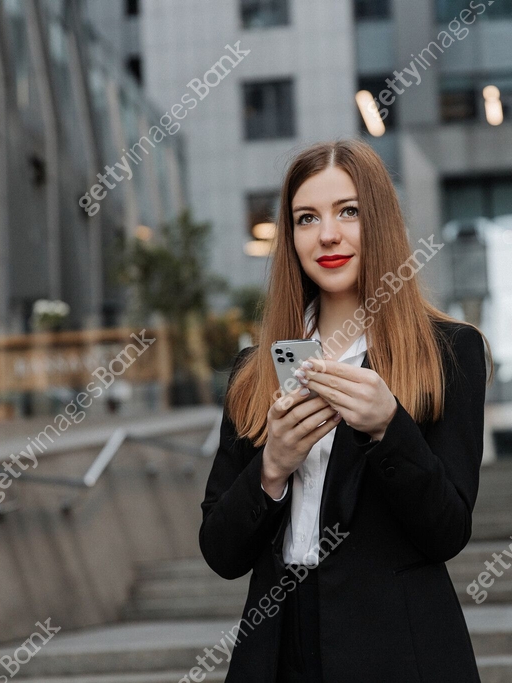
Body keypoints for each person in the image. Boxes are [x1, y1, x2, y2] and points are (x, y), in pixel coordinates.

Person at [199, 138, 492, 682]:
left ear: (378, 222)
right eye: (306, 218)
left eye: (348, 212)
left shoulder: (448, 352)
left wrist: (390, 428)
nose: (327, 234)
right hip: (279, 646)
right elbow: (220, 551)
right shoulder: (254, 370)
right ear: (290, 237)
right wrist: (271, 470)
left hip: (396, 650)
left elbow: (447, 531)